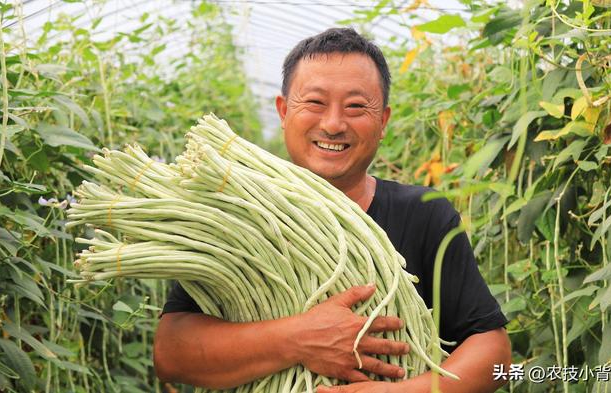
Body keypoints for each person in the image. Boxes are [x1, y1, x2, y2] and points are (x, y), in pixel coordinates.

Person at [154, 28, 511, 392]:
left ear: (384, 121)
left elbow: (493, 350)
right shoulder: (235, 217)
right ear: (283, 111)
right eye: (315, 103)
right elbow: (171, 355)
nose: (333, 124)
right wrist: (299, 338)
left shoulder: (423, 214)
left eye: (356, 106)